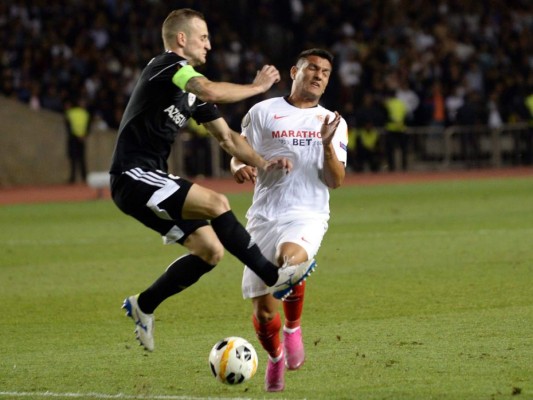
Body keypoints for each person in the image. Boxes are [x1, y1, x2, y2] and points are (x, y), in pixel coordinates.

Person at [109, 9, 316, 352]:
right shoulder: (167, 66)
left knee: (210, 251)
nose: (209, 44)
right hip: (133, 175)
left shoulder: (191, 92)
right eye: (203, 37)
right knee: (217, 203)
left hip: (152, 177)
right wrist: (258, 87)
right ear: (181, 39)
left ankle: (143, 304)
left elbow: (229, 140)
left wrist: (264, 163)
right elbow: (208, 87)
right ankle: (272, 277)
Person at [230, 49, 348, 392]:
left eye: (325, 71)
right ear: (294, 71)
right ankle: (276, 357)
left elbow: (336, 180)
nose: (319, 75)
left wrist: (326, 146)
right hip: (264, 216)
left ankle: (293, 327)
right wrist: (242, 168)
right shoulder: (263, 112)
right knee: (265, 313)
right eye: (312, 68)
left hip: (307, 212)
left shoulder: (333, 122)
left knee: (290, 257)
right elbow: (238, 155)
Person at [64, 97, 92, 184]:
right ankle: (74, 178)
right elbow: (69, 125)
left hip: (78, 138)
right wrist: (81, 136)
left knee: (80, 159)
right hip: (76, 138)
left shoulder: (83, 113)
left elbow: (88, 126)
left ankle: (82, 177)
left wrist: (83, 135)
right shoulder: (74, 113)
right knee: (74, 159)